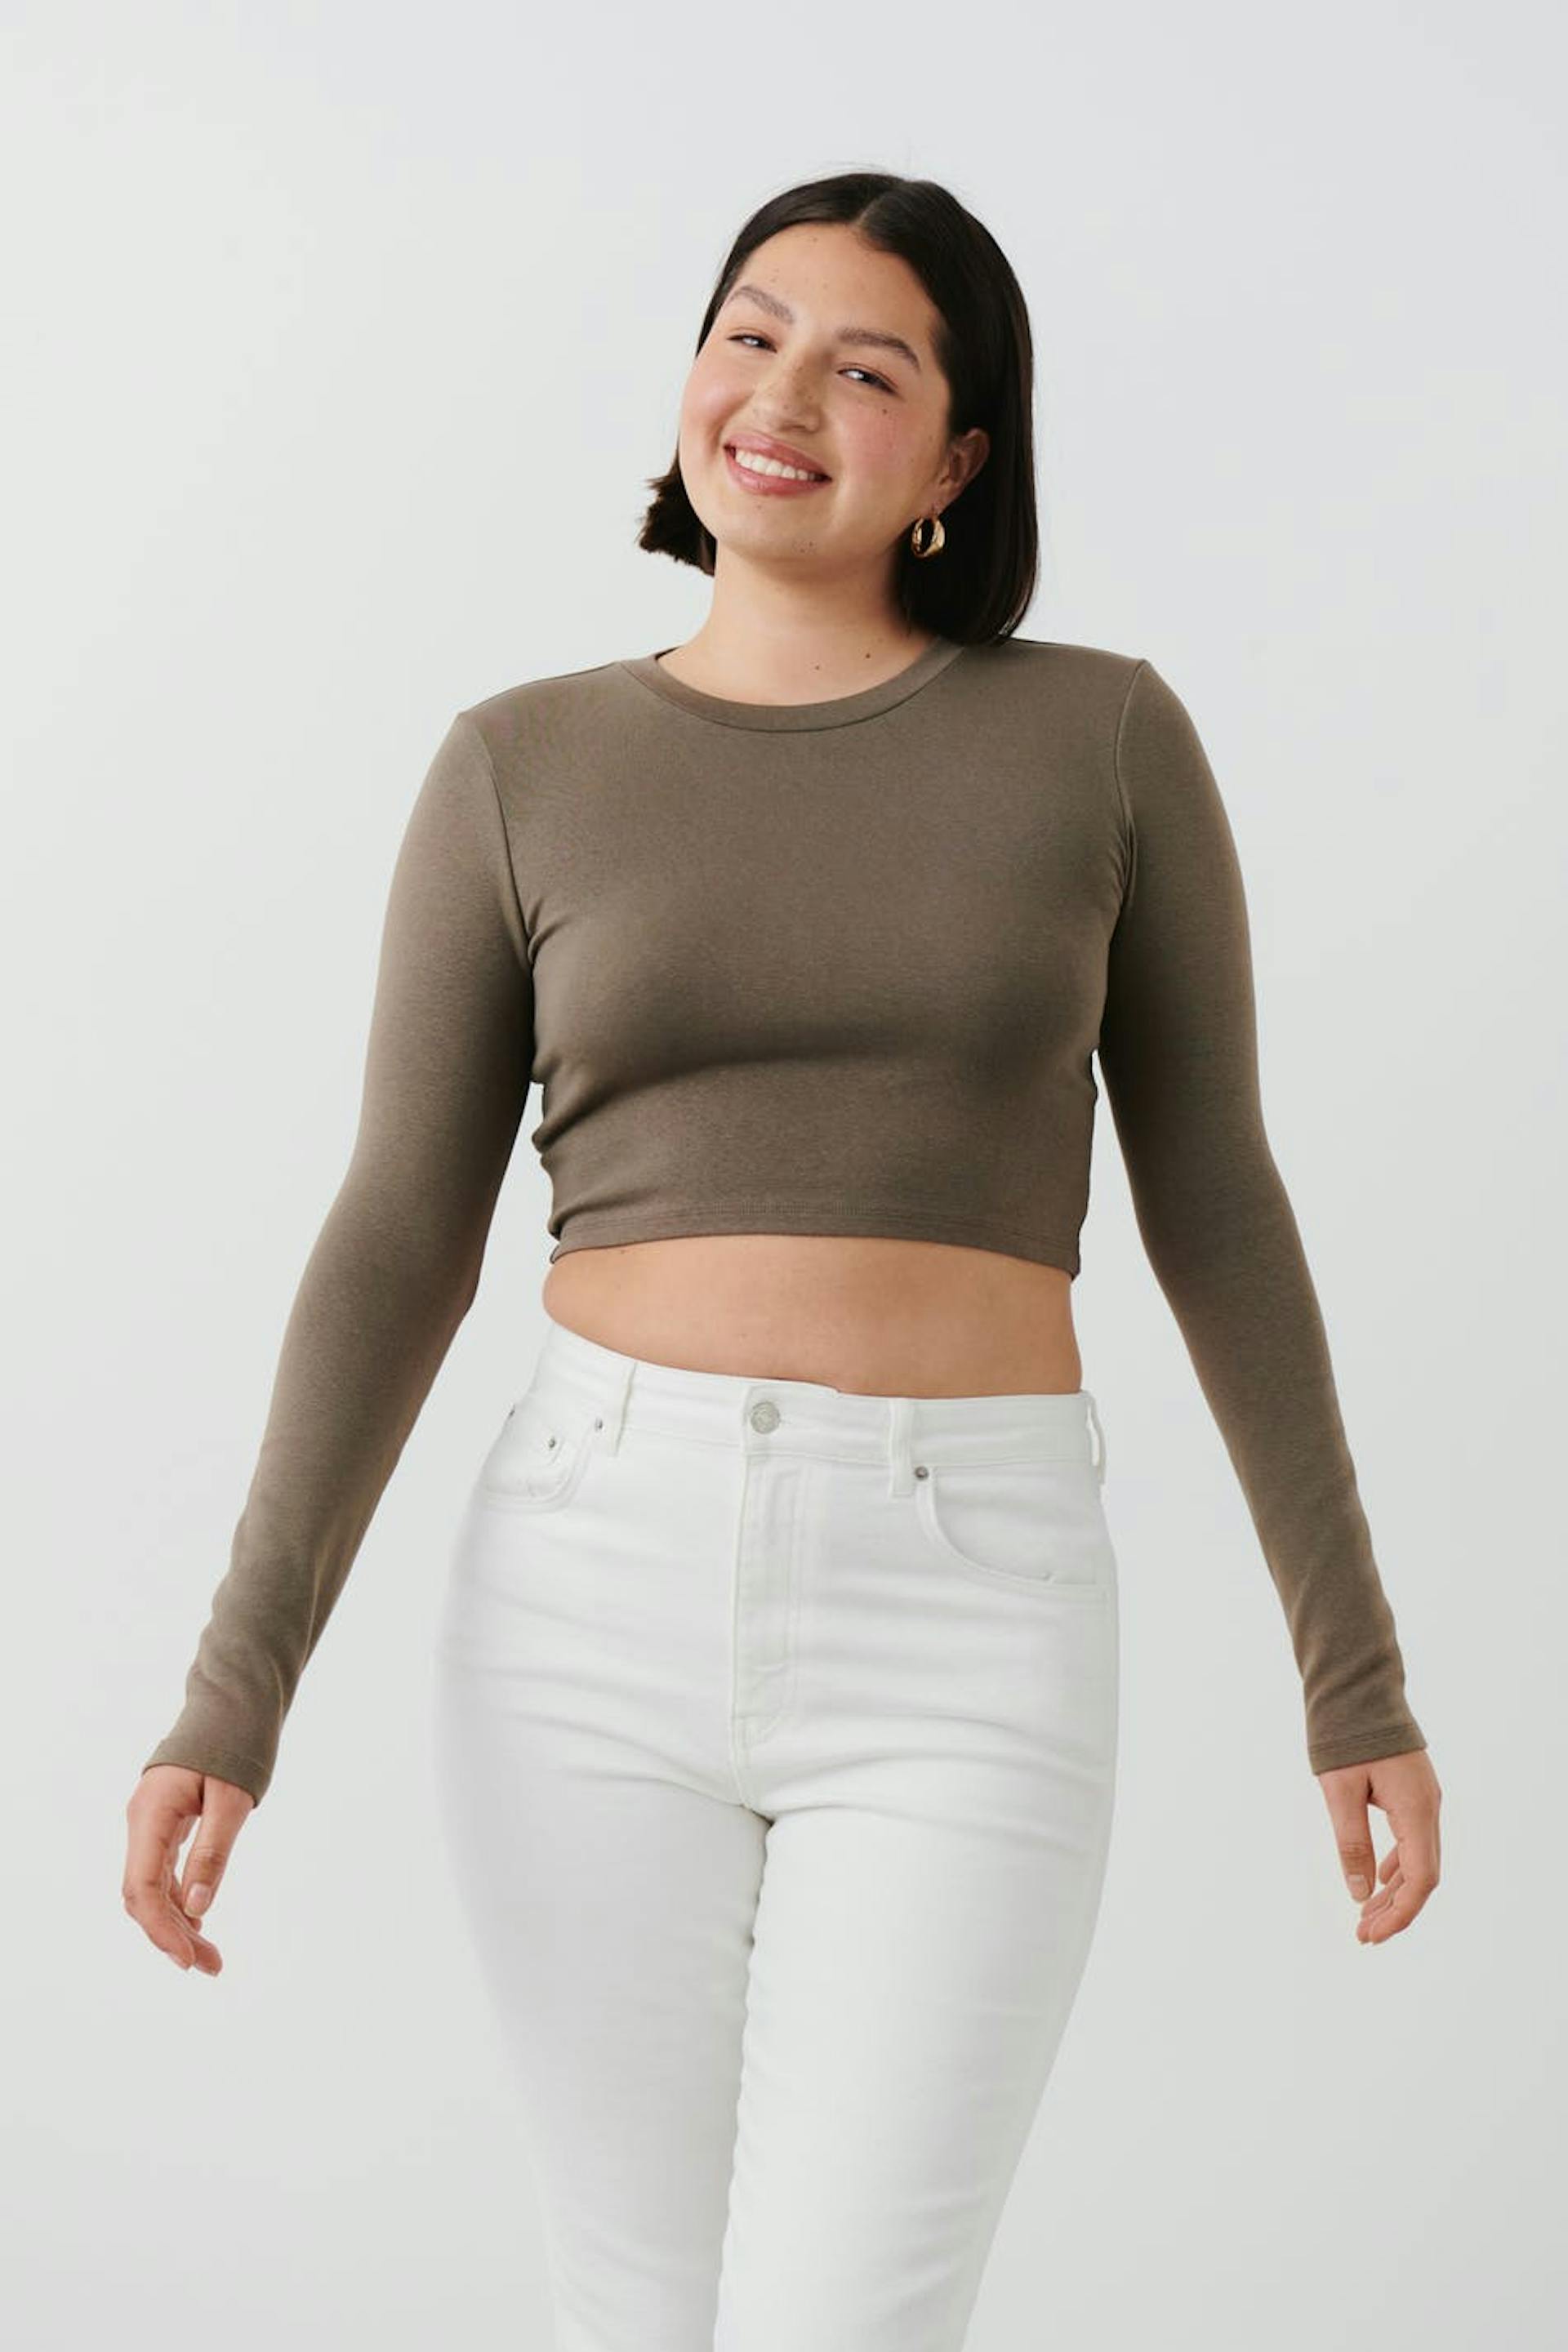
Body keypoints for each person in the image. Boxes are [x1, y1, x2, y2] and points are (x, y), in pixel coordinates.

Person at [124, 170, 1441, 2348]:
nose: (784, 395)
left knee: (853, 2318)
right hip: (587, 1587)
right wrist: (233, 1690)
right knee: (634, 2309)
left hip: (969, 1603)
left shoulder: (1102, 743)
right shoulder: (521, 766)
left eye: (866, 366)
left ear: (960, 460)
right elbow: (396, 1234)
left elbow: (1217, 1197)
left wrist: (1353, 1675)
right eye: (749, 334)